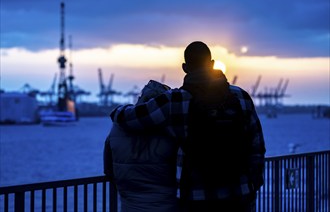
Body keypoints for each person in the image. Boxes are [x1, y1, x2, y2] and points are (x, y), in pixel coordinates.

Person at [110, 41, 266, 212]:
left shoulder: (175, 100)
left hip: (197, 197)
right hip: (240, 194)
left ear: (185, 67)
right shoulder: (241, 97)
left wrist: (119, 109)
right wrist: (254, 182)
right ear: (212, 64)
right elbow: (257, 145)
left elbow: (130, 118)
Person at [104, 80, 180, 212]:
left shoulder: (117, 126)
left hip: (129, 205)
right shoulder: (171, 128)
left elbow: (108, 169)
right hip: (166, 205)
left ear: (140, 98)